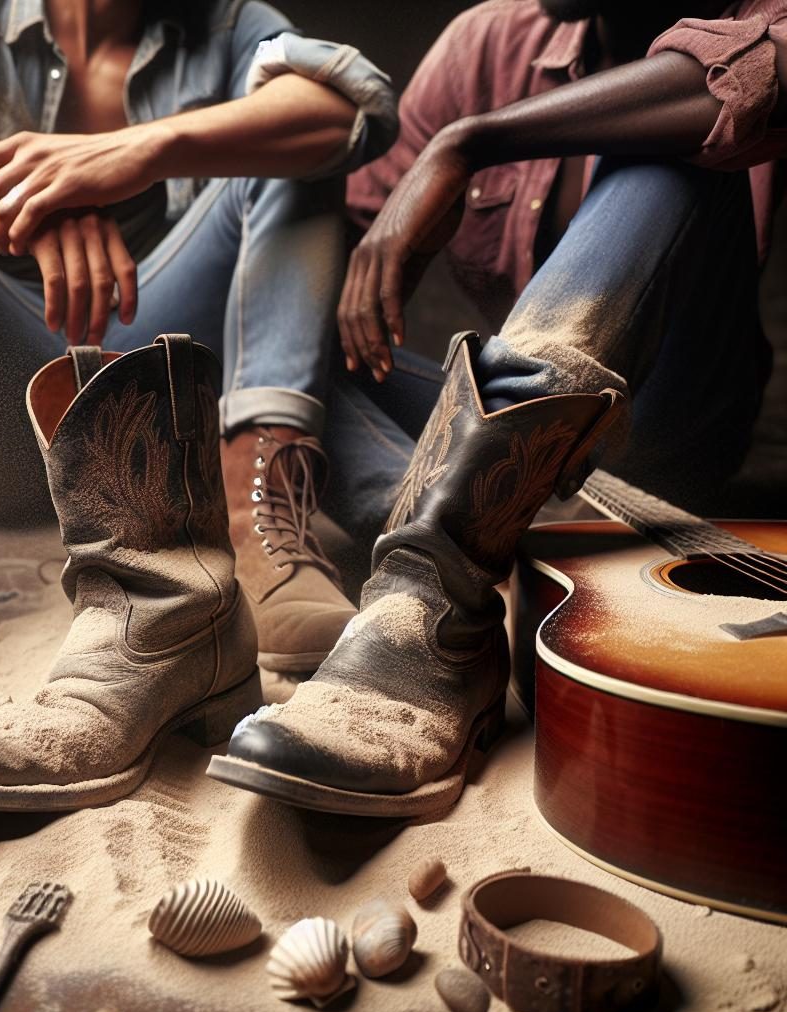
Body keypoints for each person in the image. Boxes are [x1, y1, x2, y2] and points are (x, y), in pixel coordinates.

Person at [208, 0, 787, 816]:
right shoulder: (490, 39)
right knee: (279, 348)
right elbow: (350, 236)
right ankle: (452, 529)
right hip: (520, 441)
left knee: (675, 138)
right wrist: (347, 259)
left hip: (665, 425)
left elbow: (753, 78)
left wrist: (475, 138)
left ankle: (431, 594)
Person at [0, 0, 397, 745]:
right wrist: (15, 186)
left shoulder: (226, 27)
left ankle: (250, 517)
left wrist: (135, 151)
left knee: (294, 138)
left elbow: (349, 108)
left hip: (168, 438)